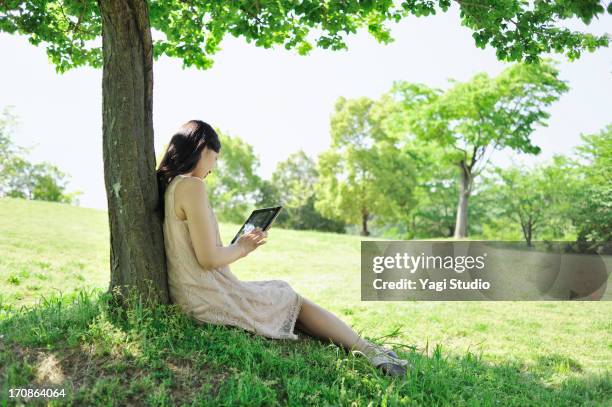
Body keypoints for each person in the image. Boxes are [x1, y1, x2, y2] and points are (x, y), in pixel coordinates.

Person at [156, 119, 411, 377]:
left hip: (192, 293)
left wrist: (236, 246)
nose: (214, 166)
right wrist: (243, 247)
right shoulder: (192, 186)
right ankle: (370, 351)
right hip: (206, 297)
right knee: (288, 296)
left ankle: (368, 349)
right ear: (202, 149)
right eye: (215, 157)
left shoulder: (173, 186)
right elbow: (209, 258)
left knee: (279, 293)